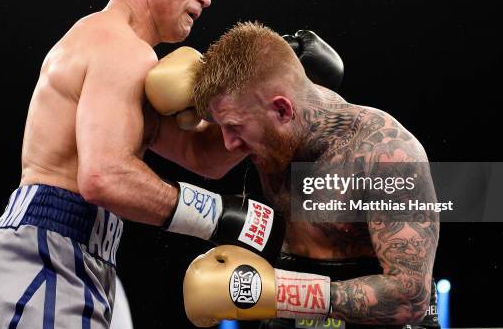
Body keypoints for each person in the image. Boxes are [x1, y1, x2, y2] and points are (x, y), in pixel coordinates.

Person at [0, 0, 286, 329]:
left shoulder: (135, 60)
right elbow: (103, 177)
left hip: (78, 250)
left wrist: (269, 99)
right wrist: (217, 216)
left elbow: (204, 158)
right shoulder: (117, 45)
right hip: (49, 244)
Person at [184, 22, 440, 328]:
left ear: (282, 110)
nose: (228, 144)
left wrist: (278, 294)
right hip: (291, 311)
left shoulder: (387, 155)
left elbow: (409, 298)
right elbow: (195, 153)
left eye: (235, 128)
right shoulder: (259, 121)